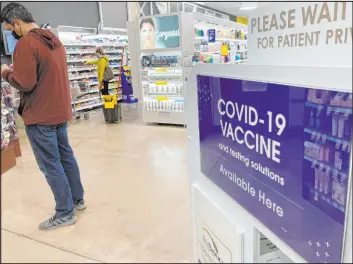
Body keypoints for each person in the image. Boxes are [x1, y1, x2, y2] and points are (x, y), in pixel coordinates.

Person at [1, 2, 85, 230]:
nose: (11, 32)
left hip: (40, 114)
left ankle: (65, 212)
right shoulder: (53, 40)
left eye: (10, 28)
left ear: (16, 23)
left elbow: (25, 83)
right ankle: (77, 199)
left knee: (50, 164)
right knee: (66, 157)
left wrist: (6, 72)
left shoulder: (27, 44)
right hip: (59, 111)